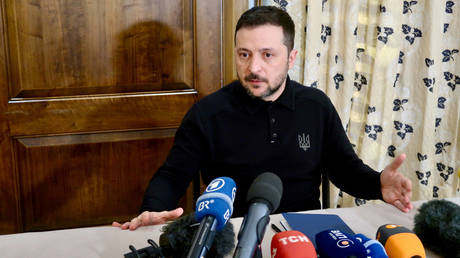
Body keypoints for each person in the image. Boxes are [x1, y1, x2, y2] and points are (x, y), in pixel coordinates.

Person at [113, 6, 412, 230]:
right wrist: (152, 210)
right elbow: (172, 176)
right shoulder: (207, 114)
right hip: (230, 233)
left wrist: (378, 185)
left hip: (303, 232)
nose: (253, 67)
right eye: (244, 54)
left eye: (267, 55)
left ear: (290, 58)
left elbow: (345, 170)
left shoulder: (315, 106)